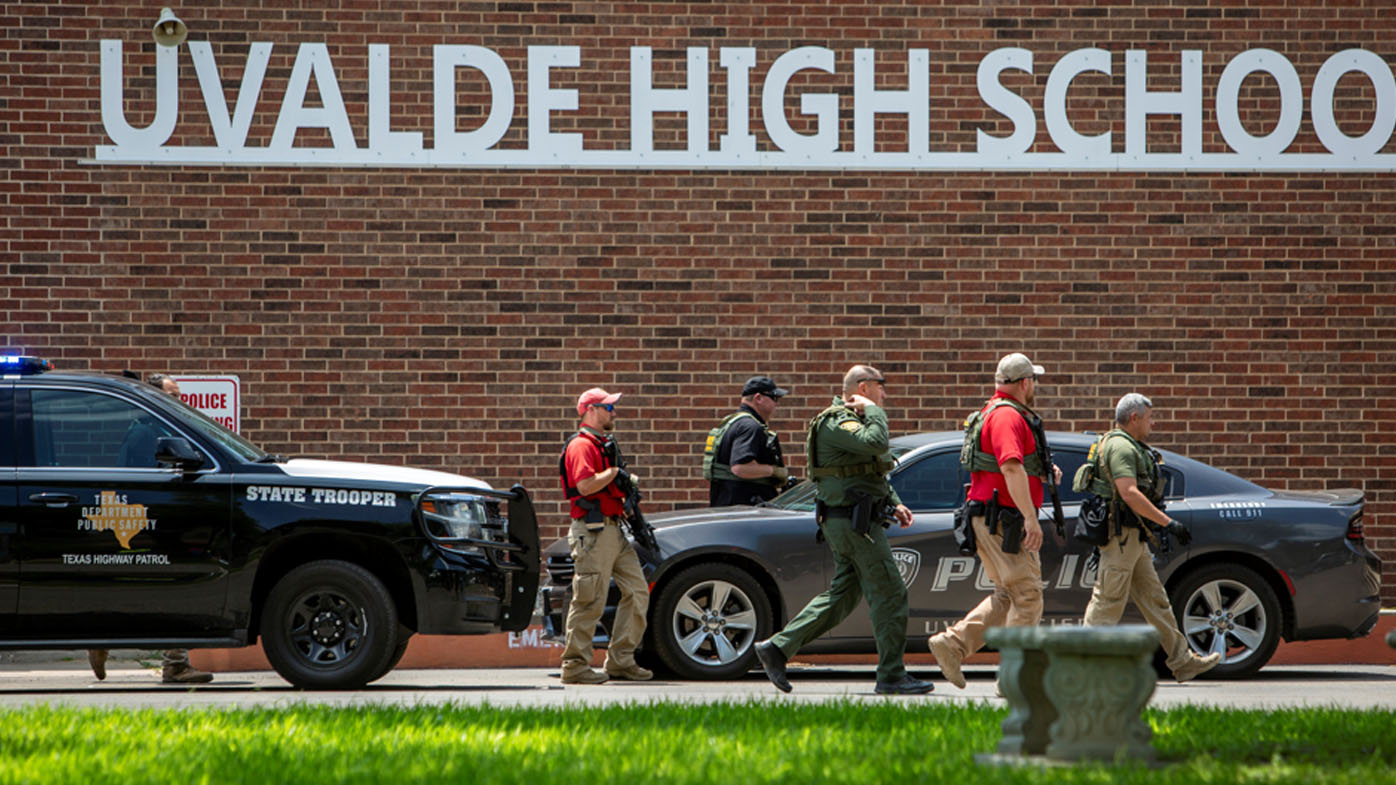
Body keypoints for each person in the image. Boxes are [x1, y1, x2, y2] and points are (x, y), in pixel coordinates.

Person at [754, 366, 933, 695]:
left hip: (852, 520)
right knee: (891, 593)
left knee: (842, 597)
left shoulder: (854, 420)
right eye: (881, 389)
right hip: (854, 523)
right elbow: (875, 442)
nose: (885, 396)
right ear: (864, 388)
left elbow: (869, 469)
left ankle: (777, 648)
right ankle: (892, 675)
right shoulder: (838, 421)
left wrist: (893, 502)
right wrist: (876, 412)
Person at [927, 353, 1061, 690]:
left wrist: (1043, 472)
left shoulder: (994, 411)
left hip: (990, 516)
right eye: (1035, 381)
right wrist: (1031, 519)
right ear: (1025, 383)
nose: (1037, 388)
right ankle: (1015, 677)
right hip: (1004, 520)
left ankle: (952, 645)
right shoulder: (1007, 417)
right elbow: (1010, 467)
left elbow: (1014, 465)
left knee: (1008, 594)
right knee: (1028, 595)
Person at [1077, 393, 1222, 682]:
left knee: (1155, 600)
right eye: (1149, 418)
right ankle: (1076, 667)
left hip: (1132, 539)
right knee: (1107, 602)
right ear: (1134, 418)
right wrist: (1168, 523)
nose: (1152, 424)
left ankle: (1182, 660)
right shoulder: (1120, 447)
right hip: (1121, 539)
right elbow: (1129, 492)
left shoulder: (1127, 444)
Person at [90, 373, 215, 685]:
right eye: (171, 395)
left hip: (155, 520)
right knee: (173, 590)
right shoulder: (147, 434)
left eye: (178, 395)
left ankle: (103, 636)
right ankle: (174, 664)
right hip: (154, 523)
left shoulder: (155, 429)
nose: (178, 401)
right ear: (154, 397)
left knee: (149, 591)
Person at [557, 387, 652, 685]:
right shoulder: (582, 446)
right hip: (593, 532)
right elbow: (585, 486)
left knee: (637, 591)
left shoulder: (603, 444)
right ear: (590, 410)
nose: (613, 412)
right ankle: (574, 666)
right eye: (608, 407)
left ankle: (621, 660)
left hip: (613, 530)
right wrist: (614, 474)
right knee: (590, 599)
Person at [705, 376, 790, 507]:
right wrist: (773, 471)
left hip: (728, 506)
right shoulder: (750, 427)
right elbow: (740, 468)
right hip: (746, 510)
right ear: (758, 398)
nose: (776, 403)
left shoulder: (732, 422)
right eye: (774, 398)